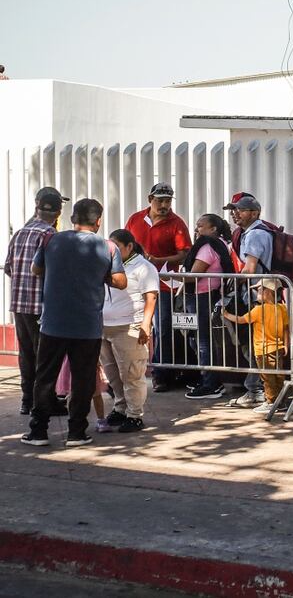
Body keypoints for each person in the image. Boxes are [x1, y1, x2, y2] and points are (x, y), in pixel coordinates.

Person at [21, 198, 126, 447]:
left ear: (72, 219)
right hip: (87, 325)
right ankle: (77, 432)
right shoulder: (109, 247)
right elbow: (121, 282)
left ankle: (38, 432)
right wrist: (99, 276)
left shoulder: (50, 240)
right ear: (98, 221)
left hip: (53, 323)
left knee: (45, 377)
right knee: (83, 379)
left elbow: (36, 270)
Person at [124, 182, 192, 392]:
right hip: (134, 282)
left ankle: (161, 373)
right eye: (160, 200)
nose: (164, 205)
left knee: (162, 328)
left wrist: (158, 259)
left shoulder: (177, 223)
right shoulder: (135, 219)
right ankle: (128, 370)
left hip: (163, 283)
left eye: (168, 200)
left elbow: (185, 253)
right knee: (131, 325)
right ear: (149, 199)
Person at [4, 187, 66, 415]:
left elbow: (9, 268)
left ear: (37, 209)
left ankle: (27, 400)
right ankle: (44, 403)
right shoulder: (50, 236)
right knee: (46, 358)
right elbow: (56, 272)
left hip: (19, 305)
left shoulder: (20, 233)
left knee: (26, 354)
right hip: (42, 306)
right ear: (58, 214)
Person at [99, 229, 159, 433]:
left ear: (129, 247)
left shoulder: (144, 267)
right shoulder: (109, 265)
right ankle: (120, 407)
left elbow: (150, 297)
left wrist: (145, 324)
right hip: (105, 326)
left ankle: (135, 414)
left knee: (132, 373)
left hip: (129, 326)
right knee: (113, 373)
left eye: (117, 247)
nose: (112, 252)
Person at [223, 194, 275, 407]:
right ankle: (258, 388)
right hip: (257, 294)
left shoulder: (254, 235)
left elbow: (250, 268)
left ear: (254, 213)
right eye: (233, 210)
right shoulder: (254, 232)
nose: (235, 213)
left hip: (256, 296)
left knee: (253, 344)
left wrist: (231, 281)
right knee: (254, 344)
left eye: (240, 210)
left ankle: (257, 390)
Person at [183, 214, 237, 400]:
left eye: (200, 226)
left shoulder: (207, 247)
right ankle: (207, 378)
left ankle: (210, 383)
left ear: (213, 228)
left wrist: (167, 276)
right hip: (206, 296)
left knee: (203, 341)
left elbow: (194, 275)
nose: (197, 229)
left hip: (202, 296)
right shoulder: (218, 244)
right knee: (197, 339)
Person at [222, 279, 289, 416]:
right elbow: (286, 329)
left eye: (259, 290)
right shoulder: (282, 308)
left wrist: (226, 314)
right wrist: (286, 345)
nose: (256, 292)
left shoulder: (258, 310)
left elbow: (241, 320)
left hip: (263, 350)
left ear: (268, 292)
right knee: (278, 375)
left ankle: (271, 402)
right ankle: (280, 401)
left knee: (267, 377)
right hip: (278, 348)